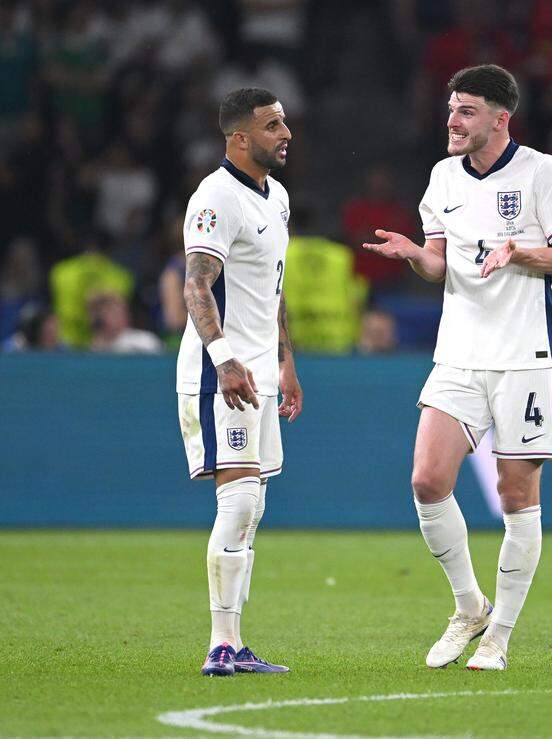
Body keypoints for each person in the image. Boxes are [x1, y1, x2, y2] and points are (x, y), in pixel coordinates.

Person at [363, 64, 552, 671]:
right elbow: (439, 265)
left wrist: (519, 251)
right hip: (458, 354)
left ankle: (501, 636)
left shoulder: (541, 171)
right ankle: (469, 608)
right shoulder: (441, 178)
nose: (452, 121)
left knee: (518, 498)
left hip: (525, 358)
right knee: (427, 481)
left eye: (465, 111)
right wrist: (414, 255)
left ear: (498, 119)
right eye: (451, 108)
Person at [176, 87, 303, 677]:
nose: (286, 135)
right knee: (241, 497)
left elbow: (271, 288)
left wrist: (286, 361)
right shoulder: (215, 197)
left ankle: (235, 642)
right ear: (239, 137)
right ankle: (220, 644)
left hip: (260, 373)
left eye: (285, 124)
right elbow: (197, 284)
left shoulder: (275, 197)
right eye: (274, 125)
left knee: (254, 509)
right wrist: (225, 359)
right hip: (219, 368)